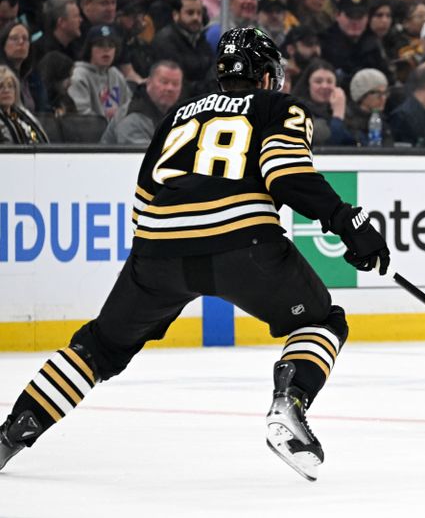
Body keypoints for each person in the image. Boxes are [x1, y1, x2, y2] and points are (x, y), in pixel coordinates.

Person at [0, 27, 390, 482]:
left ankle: (11, 433)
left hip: (158, 247)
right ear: (266, 75)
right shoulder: (278, 107)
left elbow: (144, 196)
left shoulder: (177, 115)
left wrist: (149, 270)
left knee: (99, 347)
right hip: (242, 239)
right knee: (322, 321)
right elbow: (286, 174)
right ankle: (290, 400)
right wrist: (346, 221)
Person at [101, 60, 183, 144]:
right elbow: (142, 155)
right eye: (164, 82)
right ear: (149, 83)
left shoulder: (181, 114)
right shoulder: (132, 117)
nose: (170, 88)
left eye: (175, 84)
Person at [68, 24, 131, 121]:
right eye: (100, 45)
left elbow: (129, 107)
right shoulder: (79, 75)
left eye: (111, 45)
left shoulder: (116, 74)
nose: (106, 50)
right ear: (89, 49)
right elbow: (81, 116)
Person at [0, 65, 48, 143]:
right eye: (0, 86)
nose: (6, 90)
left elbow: (37, 141)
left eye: (10, 86)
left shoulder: (23, 117)